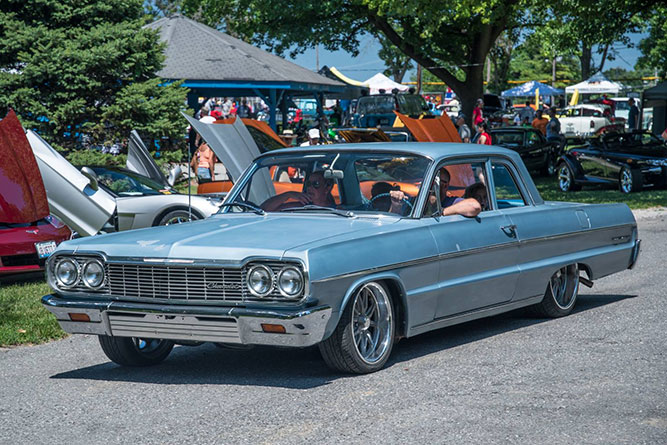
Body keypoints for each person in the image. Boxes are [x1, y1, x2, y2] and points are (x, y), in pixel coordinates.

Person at [261, 170, 334, 211]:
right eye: (308, 184)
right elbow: (263, 210)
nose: (310, 188)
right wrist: (288, 194)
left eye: (316, 184)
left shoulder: (338, 211)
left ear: (327, 188)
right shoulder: (298, 206)